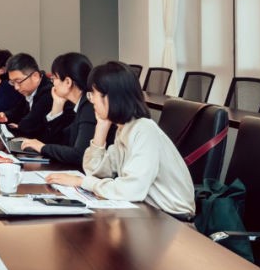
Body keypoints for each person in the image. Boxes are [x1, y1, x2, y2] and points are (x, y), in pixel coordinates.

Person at [46, 61, 195, 217]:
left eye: (93, 94)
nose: (91, 100)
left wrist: (81, 182)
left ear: (111, 97)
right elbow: (95, 172)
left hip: (172, 218)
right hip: (148, 210)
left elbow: (131, 189)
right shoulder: (124, 128)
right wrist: (101, 126)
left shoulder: (144, 130)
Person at [16, 52, 95, 165]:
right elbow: (60, 142)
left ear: (67, 82)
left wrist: (42, 147)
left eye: (54, 78)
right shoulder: (80, 105)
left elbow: (78, 155)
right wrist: (57, 106)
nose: (53, 84)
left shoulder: (89, 107)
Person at [0, 52, 58, 139]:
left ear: (35, 76)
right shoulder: (28, 89)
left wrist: (19, 126)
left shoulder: (49, 93)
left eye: (18, 81)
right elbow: (18, 110)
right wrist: (6, 116)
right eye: (12, 82)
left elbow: (30, 124)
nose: (16, 87)